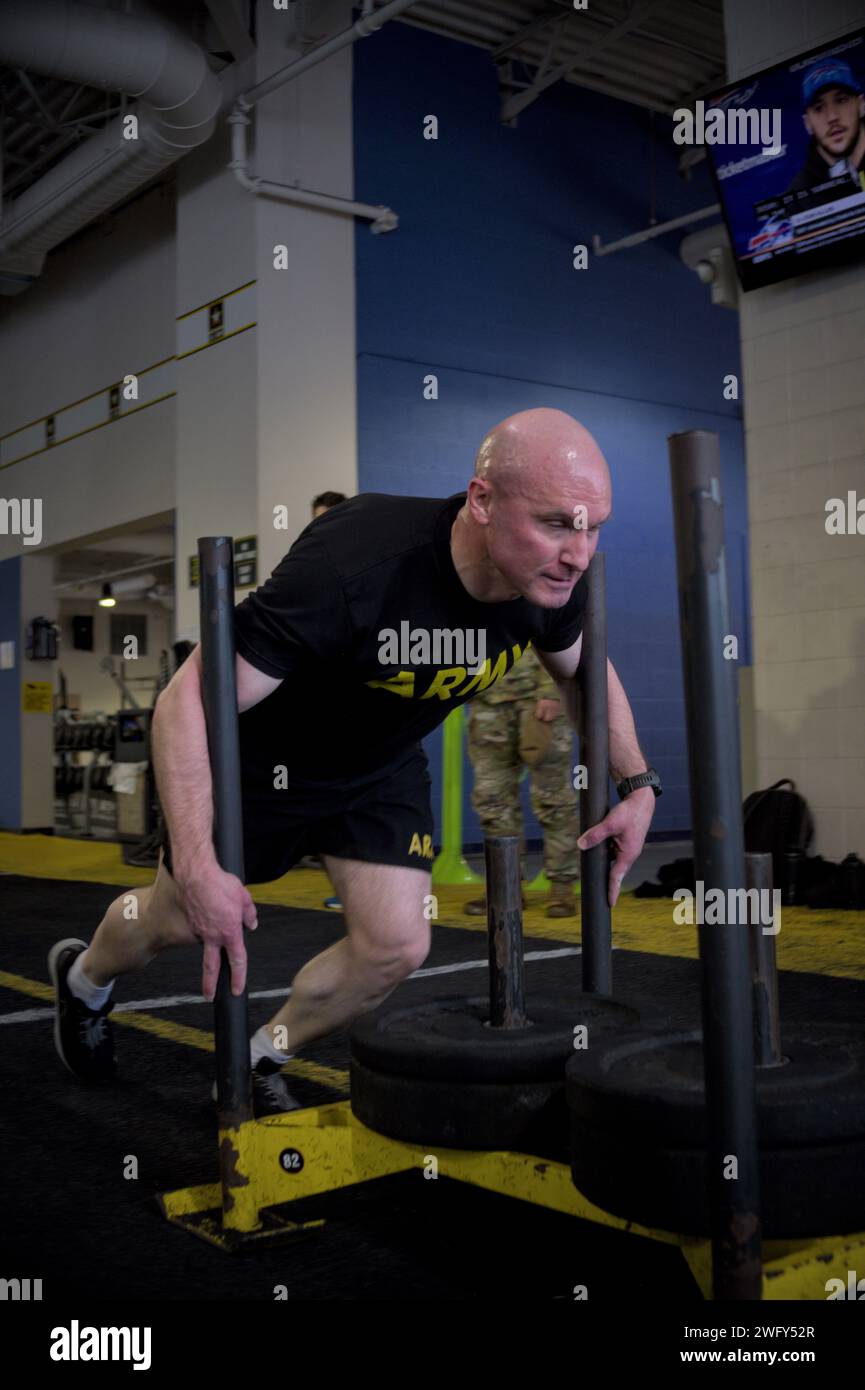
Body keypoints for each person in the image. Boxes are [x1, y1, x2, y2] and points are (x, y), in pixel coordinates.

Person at [49, 408, 660, 1115]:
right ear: (482, 500)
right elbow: (184, 703)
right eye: (554, 522)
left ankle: (259, 1054)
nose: (578, 552)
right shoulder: (356, 561)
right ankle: (86, 977)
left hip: (377, 768)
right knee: (177, 918)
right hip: (262, 762)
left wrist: (637, 783)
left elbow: (586, 672)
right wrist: (193, 861)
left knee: (394, 945)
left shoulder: (549, 582)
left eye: (593, 526)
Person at [466, 645, 580, 918]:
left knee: (552, 798)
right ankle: (506, 887)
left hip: (536, 700)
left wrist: (552, 689)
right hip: (487, 702)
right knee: (492, 800)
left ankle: (562, 890)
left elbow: (556, 633)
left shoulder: (536, 599)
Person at [786, 58, 865, 193]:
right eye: (818, 108)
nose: (832, 117)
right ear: (807, 123)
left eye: (841, 100)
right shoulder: (798, 194)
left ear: (862, 104)